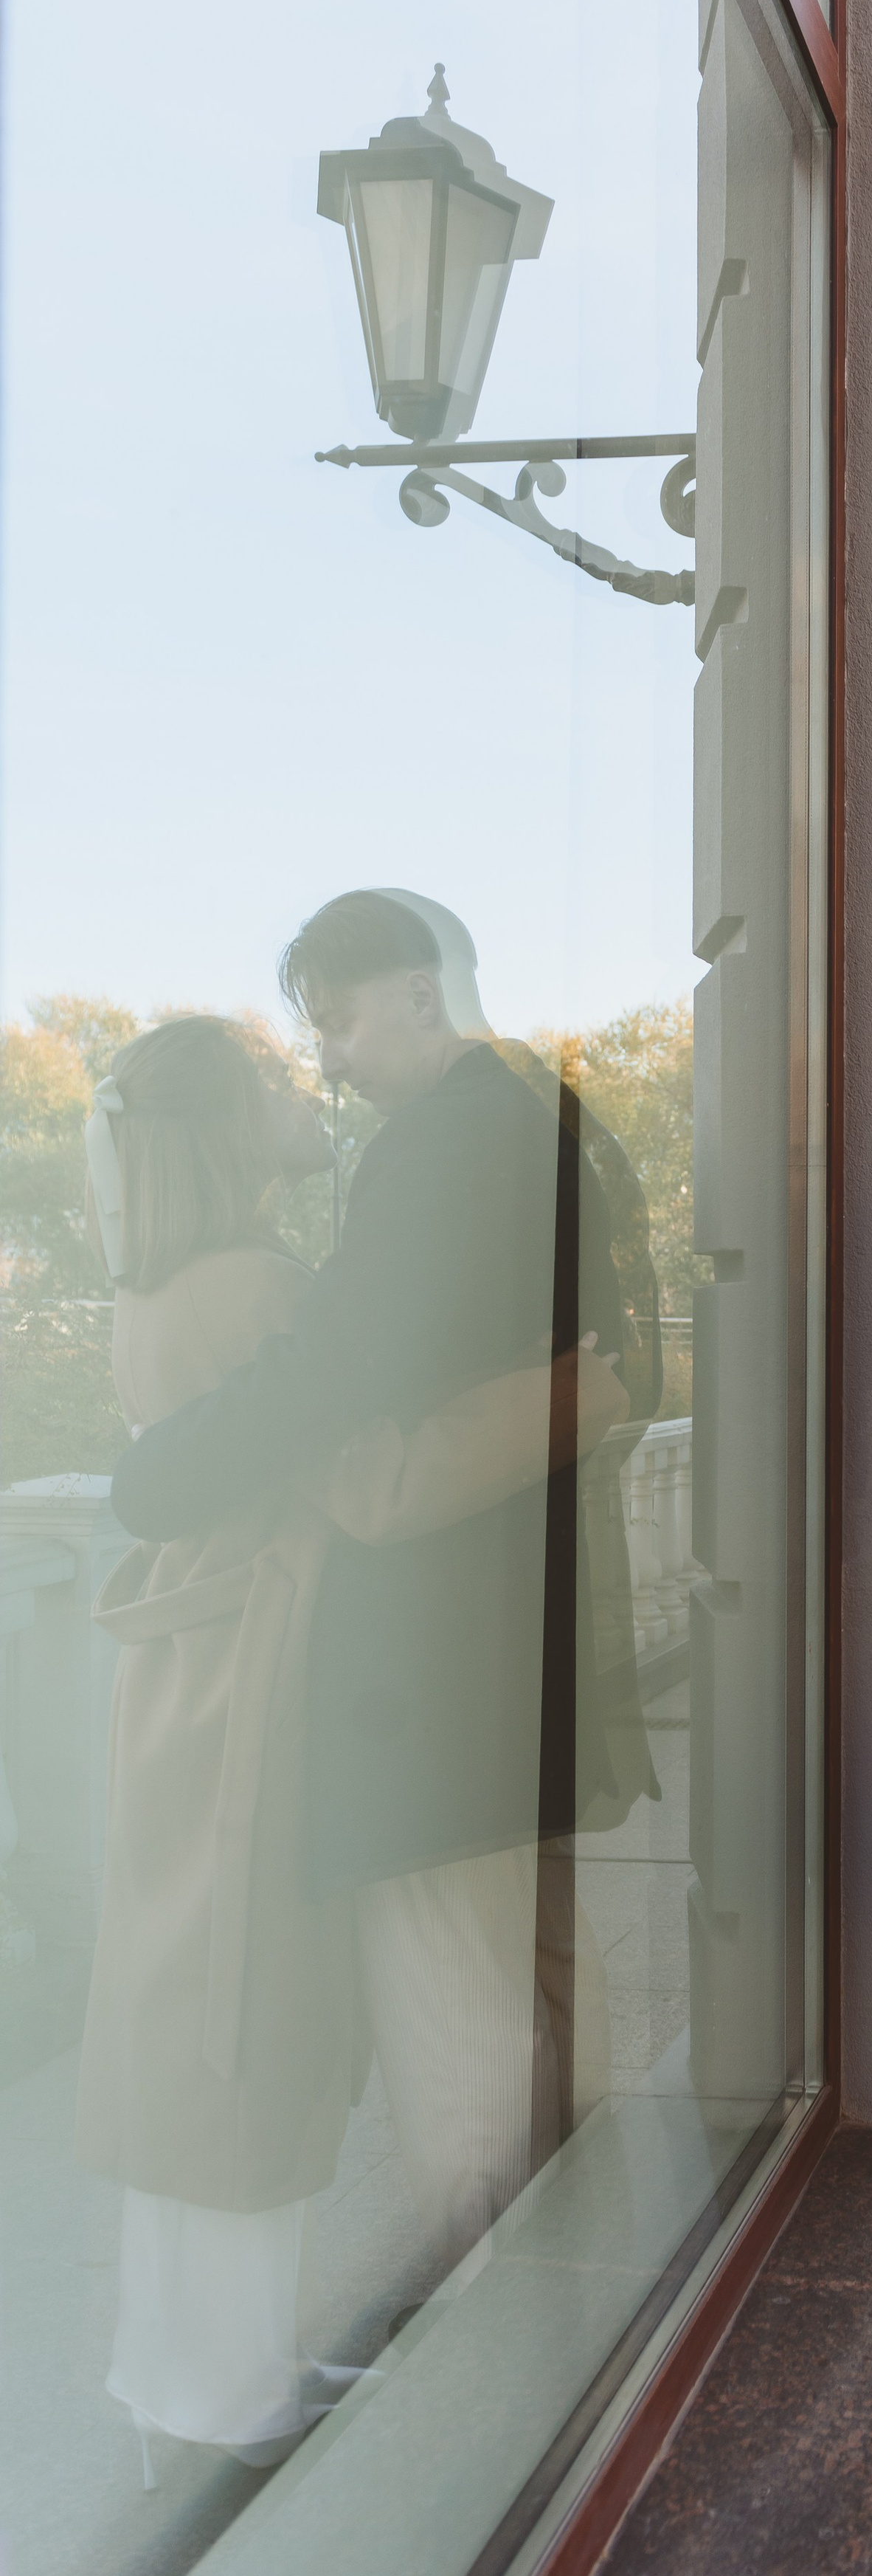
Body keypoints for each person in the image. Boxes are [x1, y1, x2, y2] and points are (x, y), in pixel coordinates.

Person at [77, 1016, 626, 2475]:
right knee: (244, 2027)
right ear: (219, 1130)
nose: (296, 1082)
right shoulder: (258, 1287)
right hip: (257, 1680)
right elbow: (373, 1484)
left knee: (186, 2015)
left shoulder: (153, 1286)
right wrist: (570, 1398)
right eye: (263, 1081)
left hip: (183, 1683)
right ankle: (230, 2387)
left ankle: (184, 2370)